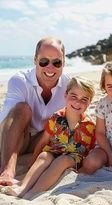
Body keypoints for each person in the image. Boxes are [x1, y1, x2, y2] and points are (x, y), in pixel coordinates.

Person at [1, 77, 96, 199]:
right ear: (66, 95)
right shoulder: (56, 118)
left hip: (74, 158)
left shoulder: (89, 125)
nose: (78, 102)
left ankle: (34, 192)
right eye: (73, 96)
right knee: (44, 156)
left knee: (61, 161)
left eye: (84, 99)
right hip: (55, 151)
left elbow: (92, 149)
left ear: (89, 102)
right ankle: (22, 187)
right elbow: (43, 142)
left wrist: (85, 169)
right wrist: (33, 161)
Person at [0, 37, 70, 186]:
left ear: (64, 62)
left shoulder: (68, 86)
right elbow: (8, 119)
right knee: (22, 109)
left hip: (41, 139)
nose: (50, 68)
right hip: (11, 137)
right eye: (44, 61)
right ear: (35, 60)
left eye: (56, 62)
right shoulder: (20, 81)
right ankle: (7, 169)